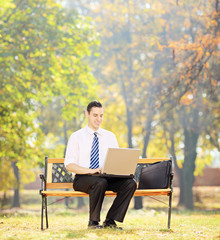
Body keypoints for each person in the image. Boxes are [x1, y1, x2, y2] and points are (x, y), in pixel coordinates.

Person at [64, 100, 137, 229]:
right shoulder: (76, 137)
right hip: (83, 178)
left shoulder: (110, 136)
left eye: (101, 115)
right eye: (95, 115)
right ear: (87, 114)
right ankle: (93, 222)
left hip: (106, 177)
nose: (99, 119)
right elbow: (69, 165)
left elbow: (117, 159)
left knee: (130, 183)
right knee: (99, 182)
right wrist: (90, 171)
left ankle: (110, 220)